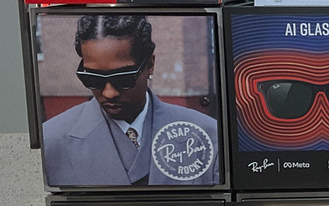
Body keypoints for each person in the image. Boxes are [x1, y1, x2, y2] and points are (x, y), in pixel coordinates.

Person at [42, 13, 220, 187]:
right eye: (93, 79)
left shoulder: (208, 136)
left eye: (123, 78)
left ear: (150, 65)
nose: (109, 93)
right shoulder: (51, 141)